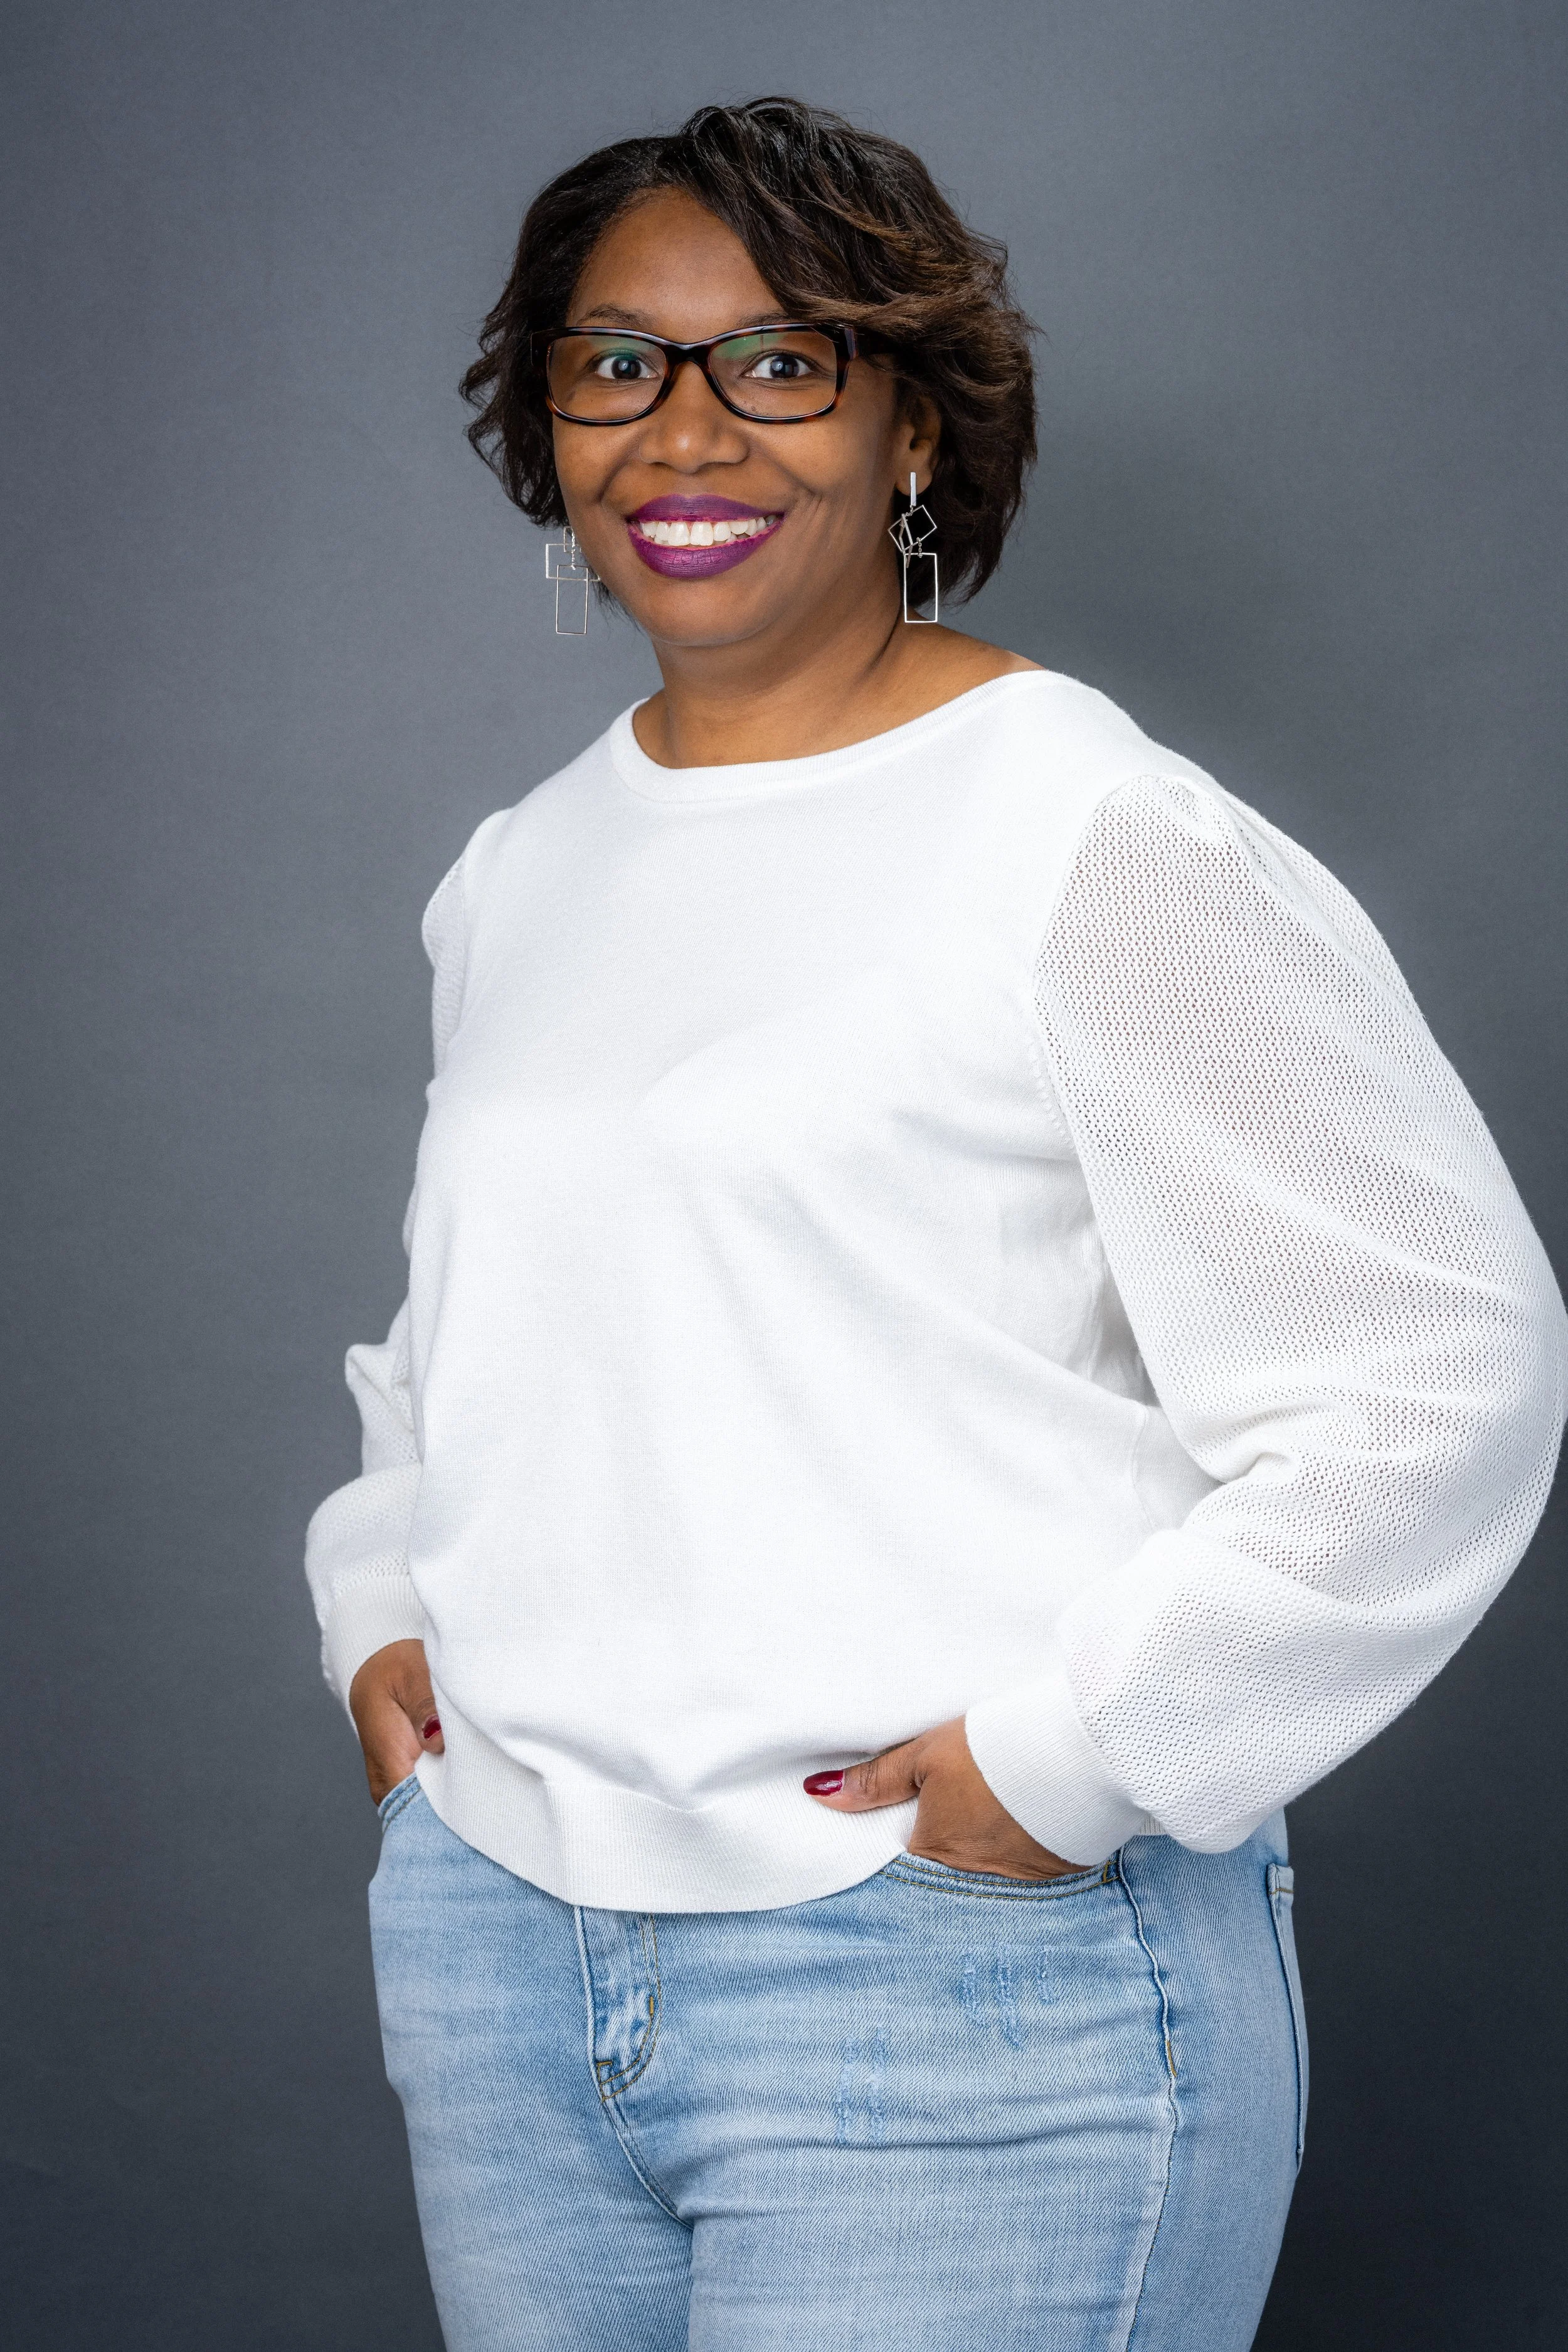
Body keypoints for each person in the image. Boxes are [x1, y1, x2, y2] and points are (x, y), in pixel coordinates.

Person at [304, 95, 1565, 2352]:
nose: (685, 430)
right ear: (549, 428)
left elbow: (1435, 1370)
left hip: (949, 1985)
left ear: (912, 425)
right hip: (507, 1951)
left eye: (777, 362)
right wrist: (382, 1594)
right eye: (617, 365)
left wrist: (1072, 1765)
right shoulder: (521, 865)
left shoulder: (1082, 834)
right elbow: (481, 1325)